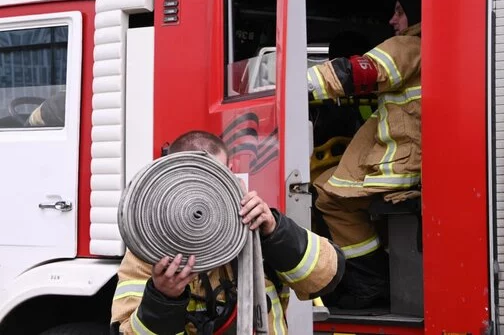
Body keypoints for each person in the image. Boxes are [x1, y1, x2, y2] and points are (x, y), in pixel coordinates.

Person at [110, 130, 345, 334]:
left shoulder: (259, 227)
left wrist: (275, 232)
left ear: (230, 173)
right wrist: (163, 298)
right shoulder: (149, 251)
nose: (203, 194)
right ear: (173, 177)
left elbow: (326, 278)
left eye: (214, 178)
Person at [306, 0, 422, 309]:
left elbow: (361, 71)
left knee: (328, 196)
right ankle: (374, 276)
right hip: (415, 162)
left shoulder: (407, 45)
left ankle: (371, 280)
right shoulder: (435, 48)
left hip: (399, 166)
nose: (392, 20)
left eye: (399, 12)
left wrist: (294, 84)